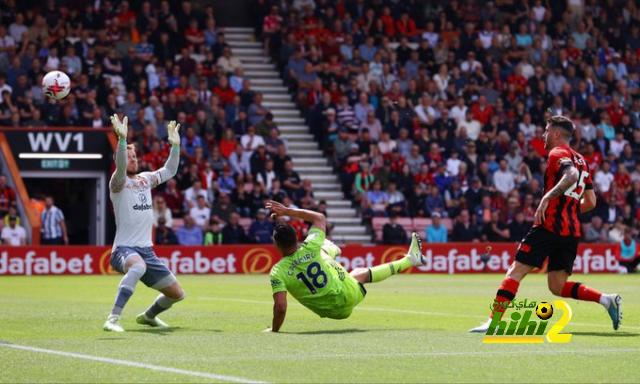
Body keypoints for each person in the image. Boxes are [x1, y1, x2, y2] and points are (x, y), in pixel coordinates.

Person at [469, 116, 622, 333]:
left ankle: (493, 323)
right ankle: (607, 301)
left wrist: (547, 198)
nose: (543, 135)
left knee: (516, 271)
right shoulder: (583, 160)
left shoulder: (557, 153)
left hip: (549, 226)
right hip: (571, 232)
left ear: (556, 134)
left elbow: (570, 175)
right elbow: (591, 202)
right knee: (557, 286)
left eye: (546, 130)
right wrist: (568, 209)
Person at [265, 200, 424, 332]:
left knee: (357, 273)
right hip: (347, 294)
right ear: (296, 238)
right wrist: (287, 211)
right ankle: (409, 260)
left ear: (276, 245)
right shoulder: (310, 246)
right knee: (348, 267)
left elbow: (281, 307)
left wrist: (274, 329)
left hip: (333, 312)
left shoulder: (278, 271)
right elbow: (319, 217)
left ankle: (410, 260)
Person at [103, 115, 186, 333]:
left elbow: (169, 171)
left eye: (135, 156)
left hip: (146, 251)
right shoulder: (118, 183)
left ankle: (148, 317)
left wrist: (175, 147)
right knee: (137, 266)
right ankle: (113, 318)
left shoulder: (145, 179)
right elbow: (120, 166)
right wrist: (122, 141)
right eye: (128, 156)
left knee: (177, 294)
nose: (133, 159)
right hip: (123, 249)